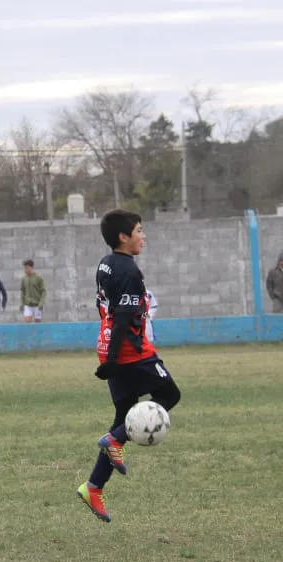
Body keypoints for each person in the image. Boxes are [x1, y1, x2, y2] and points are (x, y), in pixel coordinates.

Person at [80, 209, 181, 523]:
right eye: (139, 230)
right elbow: (124, 317)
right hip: (130, 351)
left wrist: (108, 357)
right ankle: (115, 439)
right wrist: (113, 360)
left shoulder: (106, 263)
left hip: (109, 344)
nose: (143, 235)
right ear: (123, 237)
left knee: (123, 416)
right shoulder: (128, 271)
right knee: (170, 395)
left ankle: (94, 486)